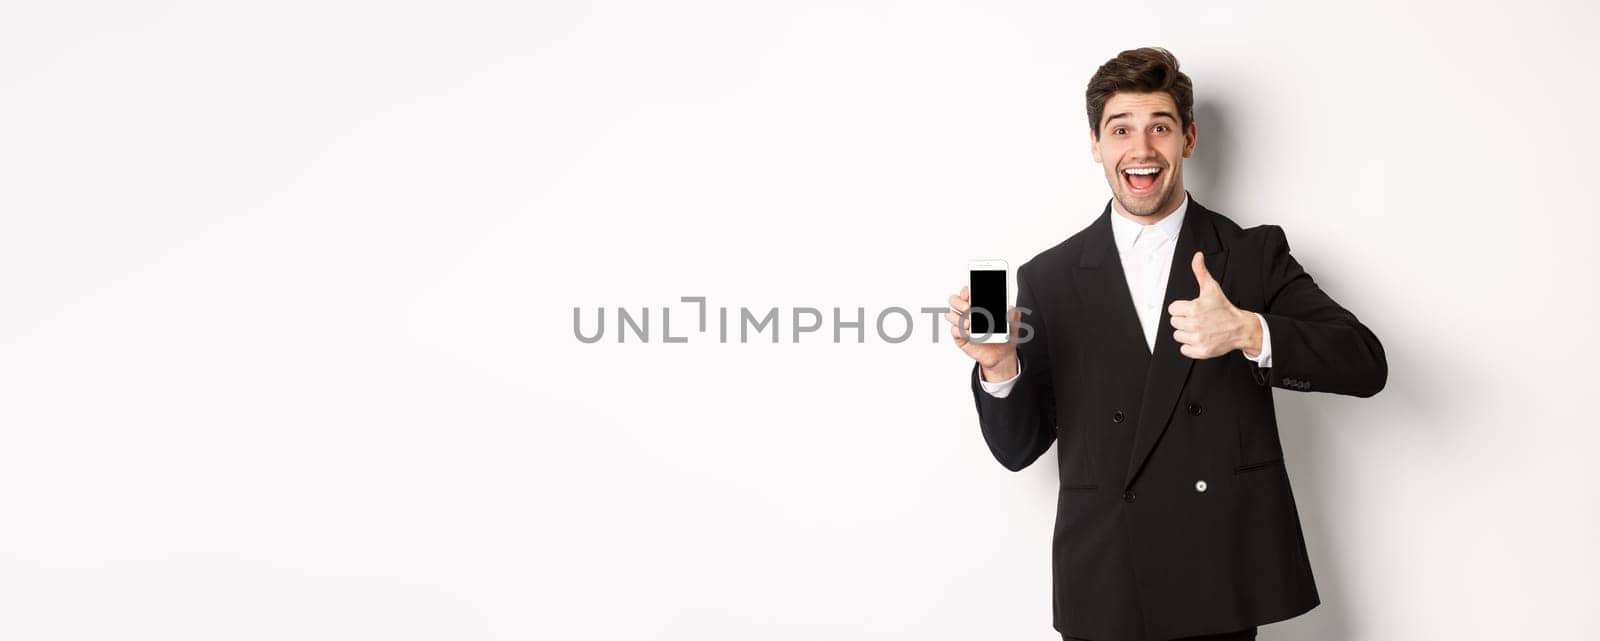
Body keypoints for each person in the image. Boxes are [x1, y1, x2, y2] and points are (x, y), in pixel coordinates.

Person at [944, 47, 1387, 641]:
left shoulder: (1252, 255)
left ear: (1189, 139)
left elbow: (1365, 362)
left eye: (1160, 127)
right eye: (1121, 129)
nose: (1142, 149)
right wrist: (1000, 366)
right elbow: (1018, 448)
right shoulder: (1049, 277)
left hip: (1218, 574)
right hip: (1104, 580)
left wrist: (1249, 331)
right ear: (1096, 145)